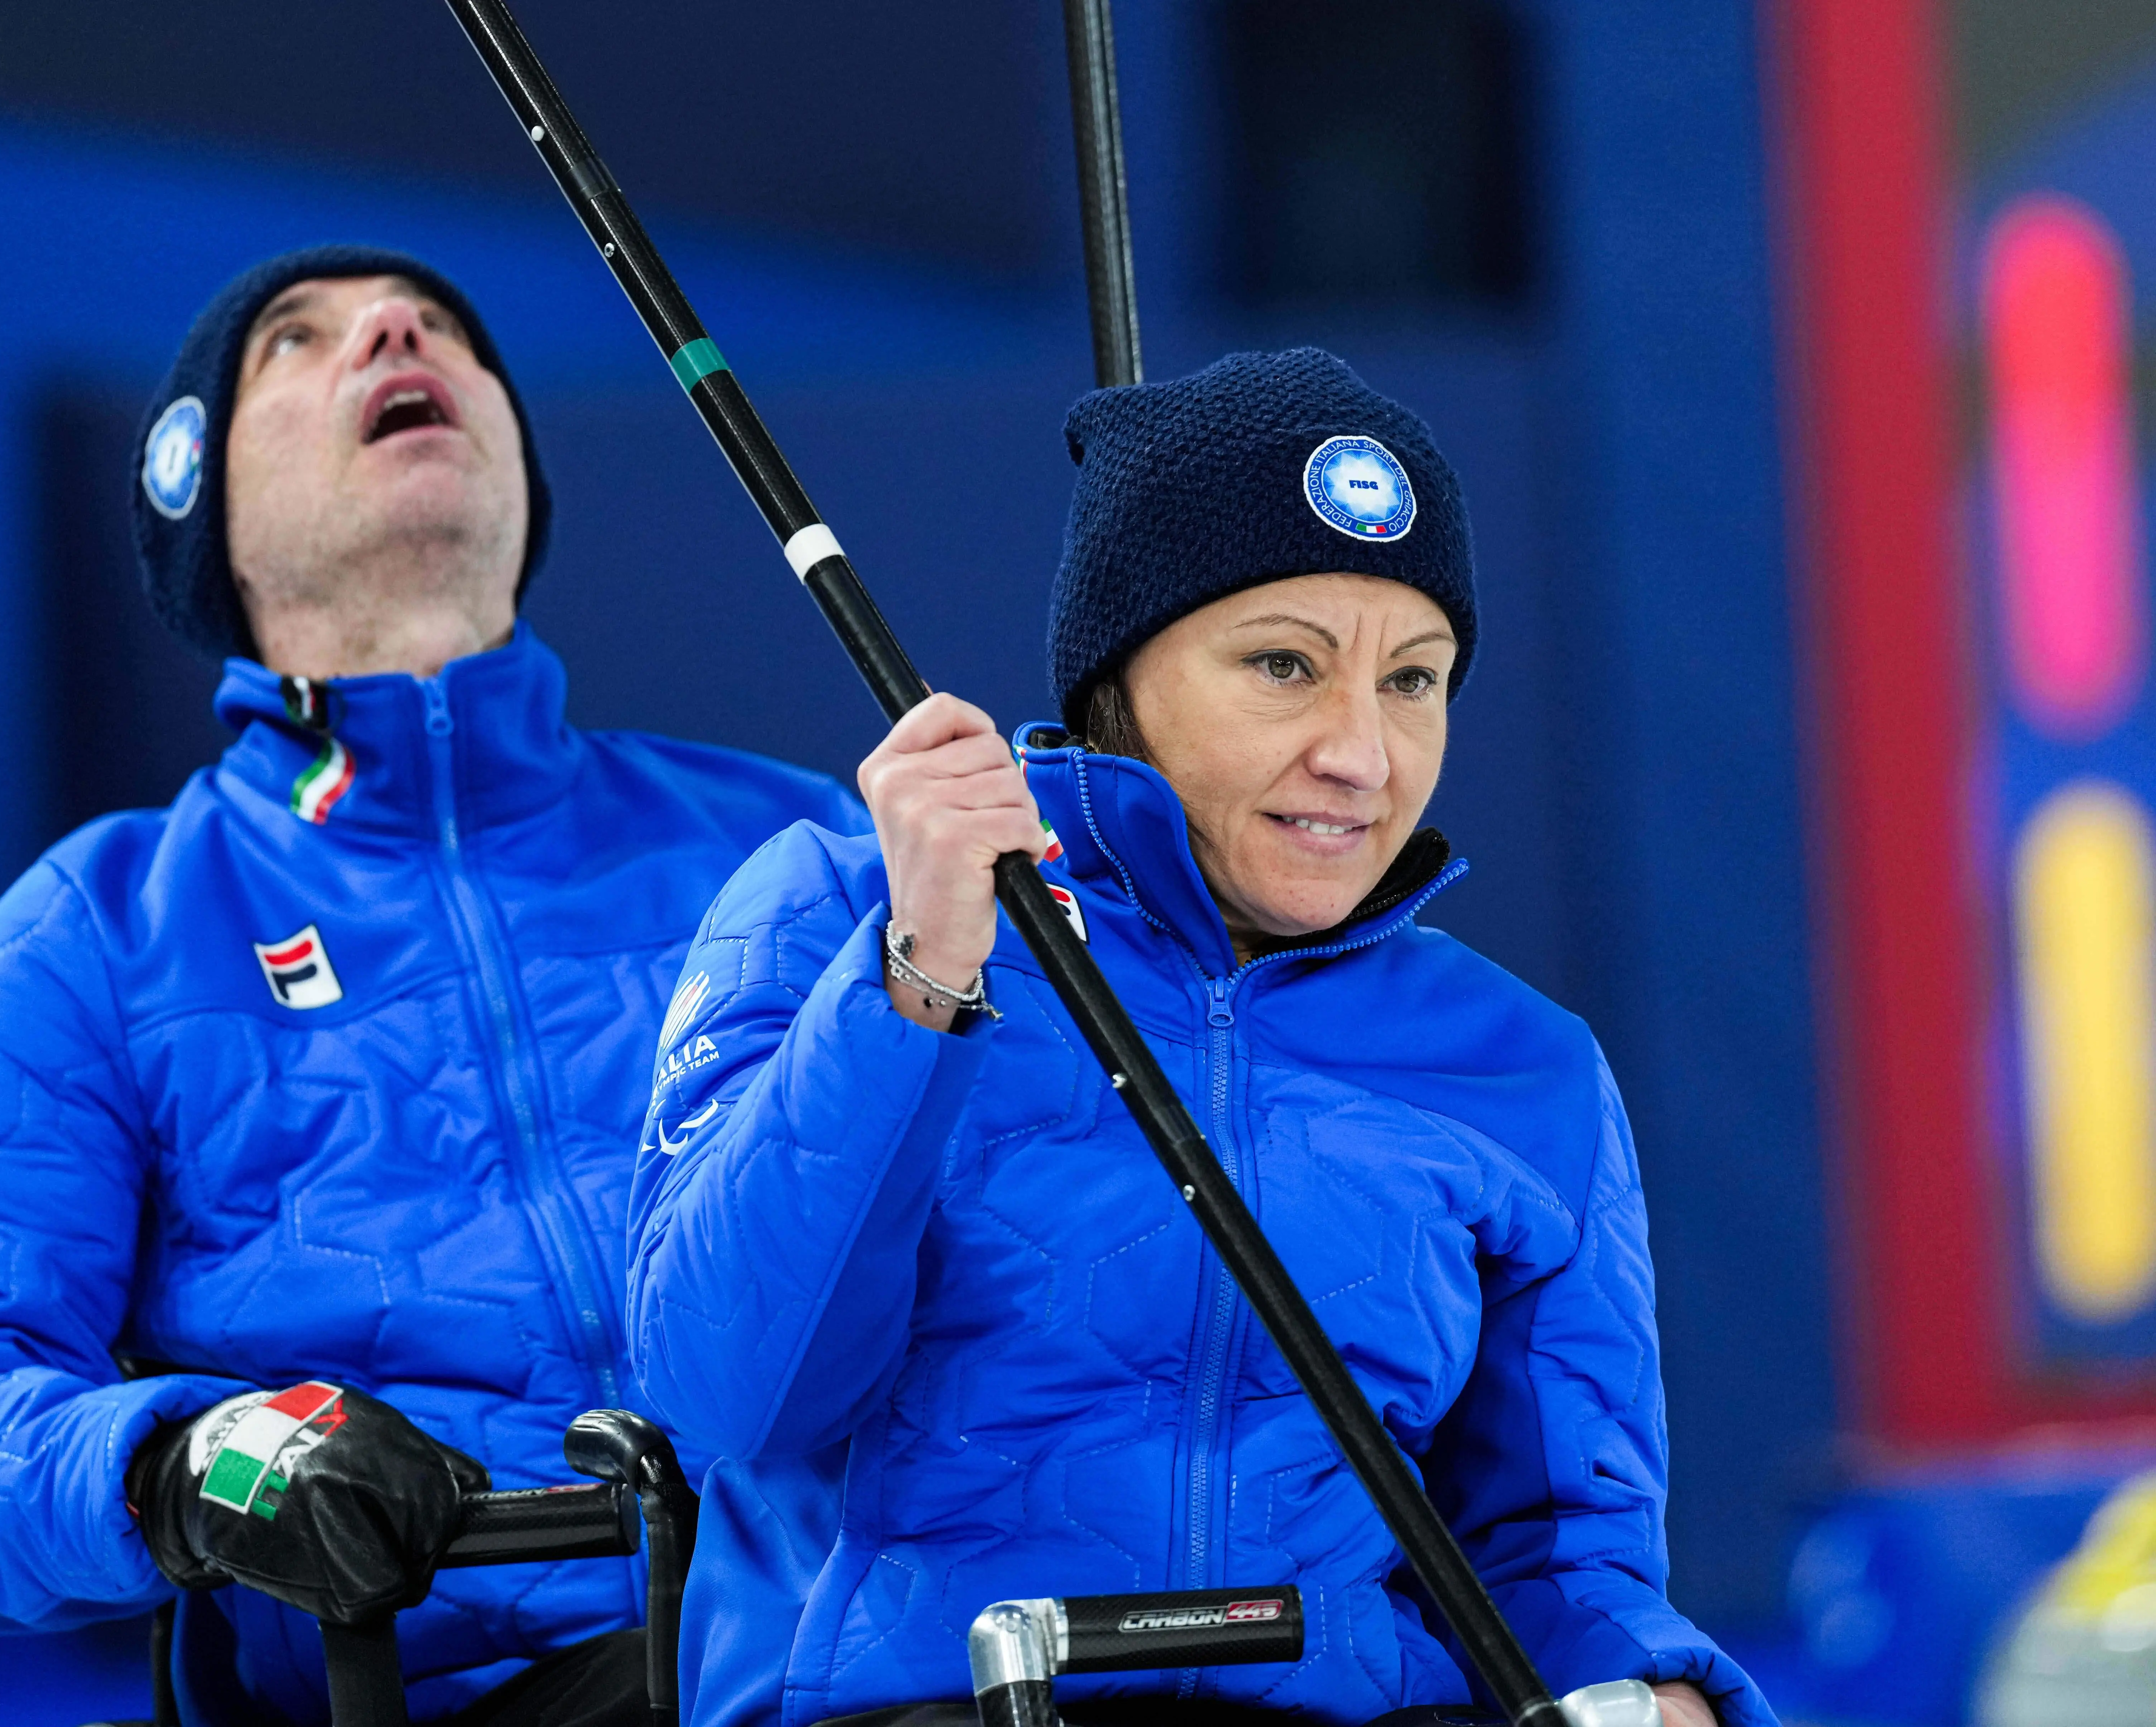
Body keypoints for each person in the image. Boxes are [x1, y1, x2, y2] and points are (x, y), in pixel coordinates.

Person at [626, 351, 1773, 1727]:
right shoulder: (843, 906)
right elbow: (726, 1395)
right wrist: (917, 980)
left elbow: (1556, 1552)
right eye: (1285, 666)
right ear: (1123, 670)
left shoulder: (1525, 1064)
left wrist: (1644, 1688)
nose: (1362, 753)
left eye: (1414, 682)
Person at [0, 245, 863, 1725]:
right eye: (297, 345)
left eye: (445, 324)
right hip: (450, 1686)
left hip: (871, 1645)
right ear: (209, 512)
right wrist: (203, 1459)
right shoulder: (97, 929)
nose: (398, 329)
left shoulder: (799, 842)